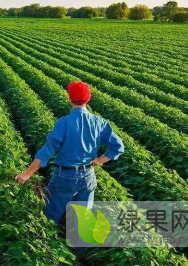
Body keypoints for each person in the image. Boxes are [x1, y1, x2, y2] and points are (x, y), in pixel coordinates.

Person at [14, 81, 124, 224]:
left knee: (49, 216)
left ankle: (48, 240)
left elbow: (46, 152)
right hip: (88, 176)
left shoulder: (64, 123)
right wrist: (98, 161)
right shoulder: (99, 122)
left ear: (69, 98)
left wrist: (27, 173)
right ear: (88, 99)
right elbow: (118, 146)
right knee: (83, 220)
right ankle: (80, 245)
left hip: (65, 176)